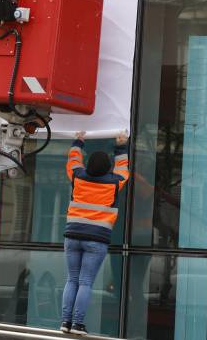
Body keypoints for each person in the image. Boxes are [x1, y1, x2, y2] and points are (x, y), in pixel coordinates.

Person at [60, 131, 130, 336]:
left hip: (72, 236)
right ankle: (78, 324)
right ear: (107, 168)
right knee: (85, 282)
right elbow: (123, 168)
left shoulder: (78, 176)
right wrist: (121, 146)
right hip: (96, 240)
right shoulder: (114, 182)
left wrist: (78, 141)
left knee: (72, 280)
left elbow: (73, 159)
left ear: (88, 165)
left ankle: (65, 321)